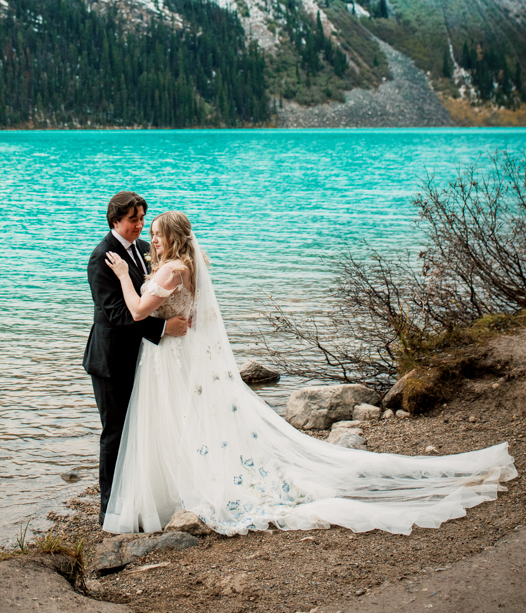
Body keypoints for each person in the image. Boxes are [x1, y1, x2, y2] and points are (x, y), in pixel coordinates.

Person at [101, 211, 517, 537]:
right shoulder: (188, 263)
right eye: (149, 231)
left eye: (157, 232)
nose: (151, 238)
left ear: (173, 236)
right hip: (175, 355)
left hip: (172, 358)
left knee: (177, 422)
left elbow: (138, 310)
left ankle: (178, 492)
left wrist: (123, 276)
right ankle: (177, 489)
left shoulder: (172, 270)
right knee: (181, 422)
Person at [84, 191, 189, 525]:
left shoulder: (147, 249)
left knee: (146, 428)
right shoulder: (102, 257)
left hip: (147, 360)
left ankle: (144, 497)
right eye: (134, 220)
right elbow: (116, 312)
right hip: (112, 359)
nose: (141, 226)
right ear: (115, 220)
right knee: (115, 433)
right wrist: (162, 329)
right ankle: (109, 510)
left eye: (144, 219)